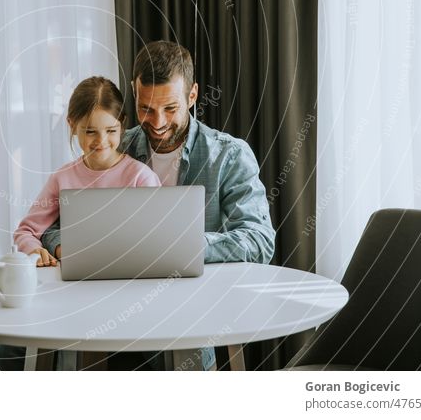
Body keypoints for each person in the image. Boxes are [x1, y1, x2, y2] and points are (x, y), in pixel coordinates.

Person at [41, 41, 276, 370]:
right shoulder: (114, 143)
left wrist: (182, 245)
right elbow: (55, 225)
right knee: (20, 349)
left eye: (170, 108)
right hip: (111, 306)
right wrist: (64, 245)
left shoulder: (229, 156)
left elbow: (260, 240)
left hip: (191, 309)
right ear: (135, 95)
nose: (157, 121)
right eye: (146, 108)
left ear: (192, 96)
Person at [0, 76, 161, 370]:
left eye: (111, 130)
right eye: (90, 132)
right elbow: (26, 230)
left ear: (122, 123)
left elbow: (157, 240)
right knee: (9, 351)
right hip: (71, 292)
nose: (101, 142)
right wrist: (33, 249)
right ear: (72, 125)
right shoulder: (63, 178)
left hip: (126, 295)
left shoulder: (140, 177)